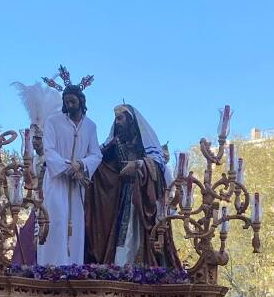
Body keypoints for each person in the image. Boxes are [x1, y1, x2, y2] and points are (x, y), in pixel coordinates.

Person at [86, 104, 178, 267]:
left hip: (141, 196)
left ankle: (138, 269)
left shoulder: (144, 144)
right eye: (116, 119)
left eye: (120, 118)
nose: (117, 122)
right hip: (121, 196)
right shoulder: (115, 144)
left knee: (134, 233)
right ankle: (120, 266)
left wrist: (138, 164)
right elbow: (100, 163)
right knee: (121, 234)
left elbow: (157, 166)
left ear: (130, 120)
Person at [40, 76, 102, 266]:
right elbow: (48, 150)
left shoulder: (90, 126)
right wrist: (69, 167)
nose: (69, 104)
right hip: (56, 180)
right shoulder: (53, 121)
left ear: (81, 101)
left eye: (73, 101)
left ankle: (72, 269)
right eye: (66, 102)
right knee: (55, 222)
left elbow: (96, 154)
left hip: (77, 186)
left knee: (75, 226)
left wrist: (81, 165)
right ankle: (49, 269)